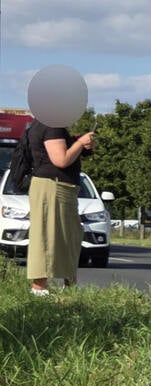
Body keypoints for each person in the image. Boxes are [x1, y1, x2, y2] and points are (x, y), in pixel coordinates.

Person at [25, 121, 96, 296]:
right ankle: (39, 288)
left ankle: (68, 285)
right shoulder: (52, 126)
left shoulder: (44, 124)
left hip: (58, 188)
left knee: (69, 234)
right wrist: (80, 143)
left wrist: (77, 143)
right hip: (52, 187)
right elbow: (61, 160)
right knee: (47, 236)